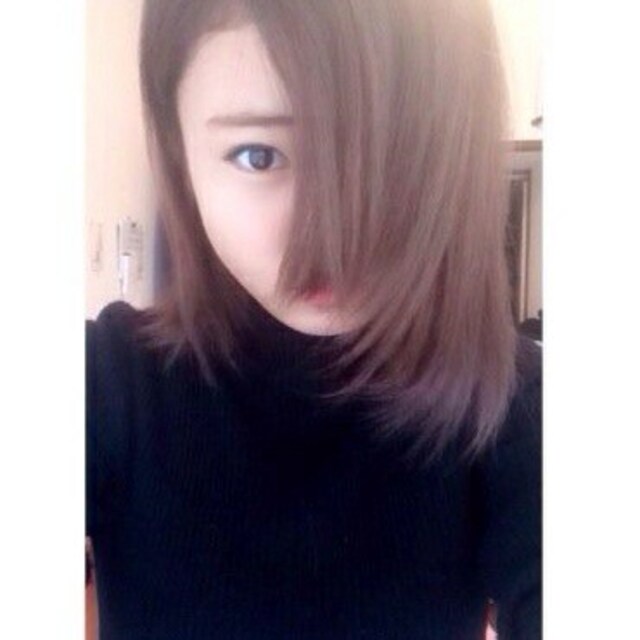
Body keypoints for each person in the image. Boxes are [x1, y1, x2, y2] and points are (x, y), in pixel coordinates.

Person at [86, 1, 542, 638]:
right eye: (258, 156)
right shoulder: (106, 386)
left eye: (392, 155)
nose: (330, 240)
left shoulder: (512, 402)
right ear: (177, 149)